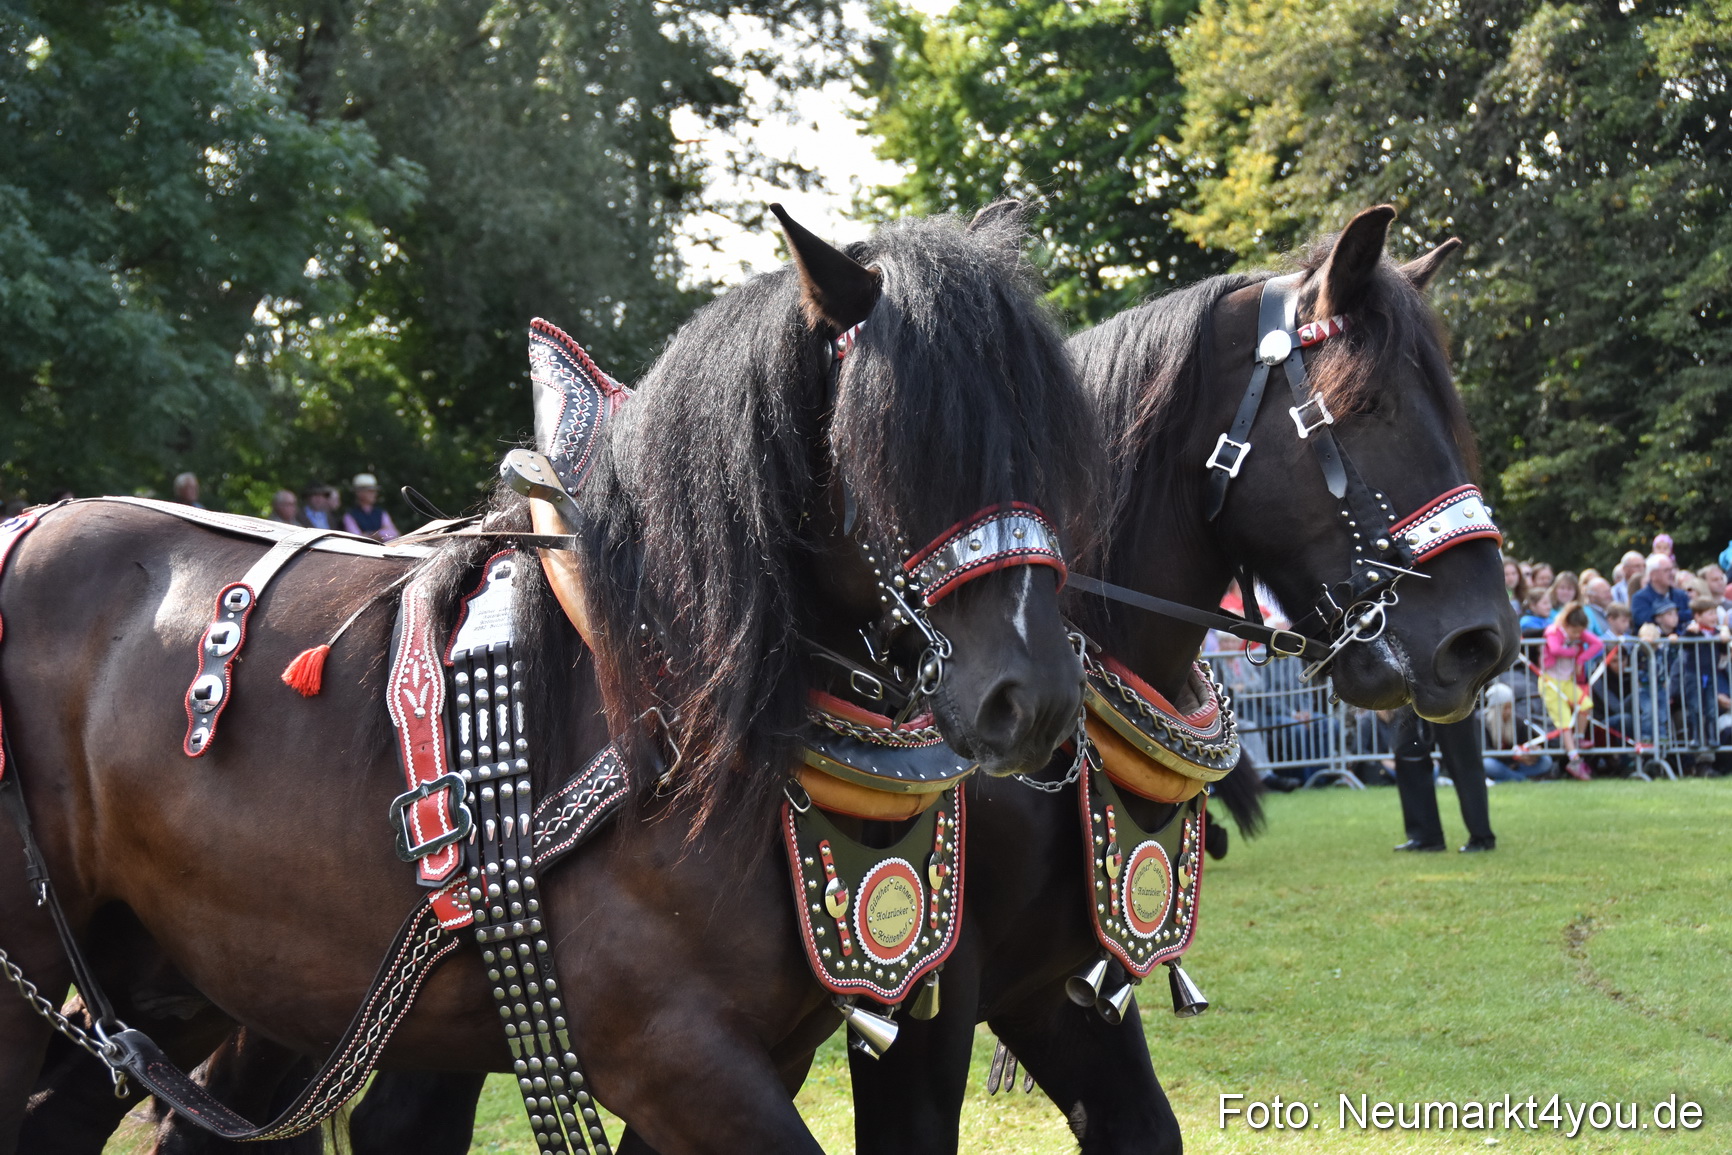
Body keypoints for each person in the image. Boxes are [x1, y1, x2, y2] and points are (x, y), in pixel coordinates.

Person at [1391, 707, 1497, 853]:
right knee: (1407, 754)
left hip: (1451, 692)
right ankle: (1425, 837)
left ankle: (1481, 837)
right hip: (1411, 693)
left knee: (1463, 760)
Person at [1539, 602, 1605, 780]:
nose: (1578, 636)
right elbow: (1554, 648)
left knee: (1586, 704)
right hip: (1550, 682)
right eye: (1575, 632)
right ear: (1566, 624)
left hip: (1566, 682)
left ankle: (1578, 738)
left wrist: (1581, 659)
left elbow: (1597, 644)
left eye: (1580, 632)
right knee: (1564, 721)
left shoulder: (1577, 631)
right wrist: (1574, 651)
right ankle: (1574, 760)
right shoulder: (1554, 631)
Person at [1480, 683, 1555, 781]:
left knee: (1546, 761)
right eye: (1505, 708)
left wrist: (1533, 751)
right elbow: (1486, 751)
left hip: (1516, 764)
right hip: (1497, 762)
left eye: (1510, 707)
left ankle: (1504, 779)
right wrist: (1514, 757)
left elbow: (1528, 741)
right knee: (1487, 763)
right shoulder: (1481, 721)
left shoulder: (1517, 720)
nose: (1508, 711)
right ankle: (1521, 779)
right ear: (1495, 708)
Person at [1631, 552, 1691, 629]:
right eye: (1666, 570)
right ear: (1653, 575)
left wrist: (1663, 616)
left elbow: (1692, 614)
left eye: (1672, 569)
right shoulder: (1640, 598)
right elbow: (1644, 620)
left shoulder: (1681, 595)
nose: (1672, 573)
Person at [342, 473, 399, 541]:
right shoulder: (350, 515)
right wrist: (381, 534)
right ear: (359, 493)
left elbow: (394, 534)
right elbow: (357, 539)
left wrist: (374, 535)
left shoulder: (381, 513)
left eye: (374, 491)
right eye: (370, 491)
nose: (375, 494)